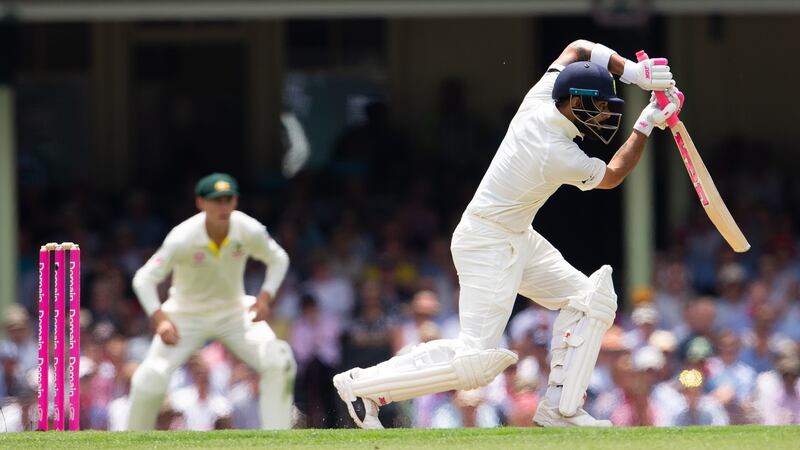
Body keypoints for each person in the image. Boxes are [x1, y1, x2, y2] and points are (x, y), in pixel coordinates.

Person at [333, 39, 678, 428]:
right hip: (487, 241)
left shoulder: (544, 93)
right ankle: (362, 386)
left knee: (591, 300)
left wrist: (632, 73)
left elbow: (578, 47)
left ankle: (561, 410)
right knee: (476, 364)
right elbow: (613, 176)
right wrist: (647, 122)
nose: (603, 116)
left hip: (515, 234)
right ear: (575, 102)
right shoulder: (553, 150)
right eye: (597, 106)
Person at [126, 173, 296, 430]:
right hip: (185, 316)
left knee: (280, 361)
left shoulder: (247, 228)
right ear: (200, 203)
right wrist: (160, 320)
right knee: (150, 378)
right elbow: (144, 279)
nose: (222, 206)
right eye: (215, 201)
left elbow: (279, 258)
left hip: (235, 313)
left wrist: (265, 297)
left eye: (228, 199)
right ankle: (131, 443)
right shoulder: (182, 236)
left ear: (236, 200)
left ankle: (279, 440)